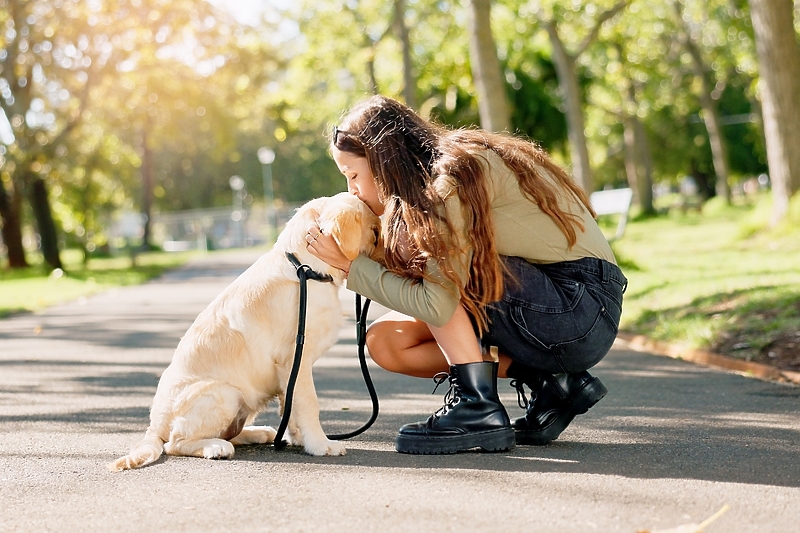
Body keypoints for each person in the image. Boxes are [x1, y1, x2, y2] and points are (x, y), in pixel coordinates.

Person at [305, 95, 627, 455]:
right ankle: (555, 382)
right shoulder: (438, 176)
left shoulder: (448, 182)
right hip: (562, 306)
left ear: (383, 160)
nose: (352, 189)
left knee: (436, 264)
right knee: (387, 341)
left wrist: (351, 267)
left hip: (578, 308)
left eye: (353, 175)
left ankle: (478, 408)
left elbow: (438, 304)